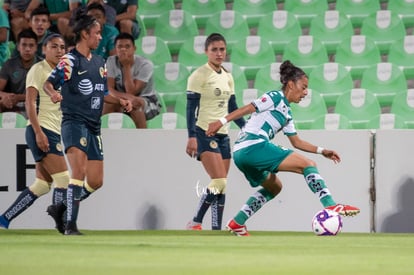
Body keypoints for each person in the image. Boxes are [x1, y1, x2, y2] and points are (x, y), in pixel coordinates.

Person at [206, 60, 361, 236]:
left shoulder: (287, 113)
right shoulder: (275, 97)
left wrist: (322, 150)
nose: (305, 92)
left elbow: (297, 142)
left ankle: (237, 223)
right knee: (308, 165)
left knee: (275, 187)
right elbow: (248, 108)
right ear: (290, 84)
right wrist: (220, 122)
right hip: (254, 145)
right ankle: (330, 205)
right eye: (303, 87)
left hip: (242, 155)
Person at [43, 9, 132, 235]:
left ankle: (61, 207)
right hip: (74, 122)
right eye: (97, 33)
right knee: (79, 172)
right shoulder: (69, 61)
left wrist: (120, 100)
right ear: (84, 34)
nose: (100, 37)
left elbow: (102, 93)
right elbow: (49, 83)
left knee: (96, 181)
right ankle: (70, 225)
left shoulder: (100, 62)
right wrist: (53, 93)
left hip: (94, 125)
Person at [0, 33, 69, 230]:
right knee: (63, 178)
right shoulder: (38, 70)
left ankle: (4, 219)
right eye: (54, 46)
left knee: (42, 185)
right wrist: (39, 132)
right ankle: (61, 223)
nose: (59, 50)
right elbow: (30, 102)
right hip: (42, 128)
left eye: (62, 47)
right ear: (44, 49)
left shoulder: (63, 73)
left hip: (53, 130)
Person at [185, 33, 246, 231]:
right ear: (206, 52)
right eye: (214, 50)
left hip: (223, 135)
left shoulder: (228, 76)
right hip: (204, 132)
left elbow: (233, 106)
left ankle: (216, 228)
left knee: (221, 183)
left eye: (222, 49)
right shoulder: (199, 75)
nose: (219, 53)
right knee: (219, 180)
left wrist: (246, 128)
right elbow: (190, 109)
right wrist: (192, 136)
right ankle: (195, 221)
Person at [104, 32, 161, 128]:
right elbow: (109, 89)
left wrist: (126, 66)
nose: (123, 50)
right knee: (108, 103)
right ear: (115, 49)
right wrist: (125, 98)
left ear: (134, 49)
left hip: (147, 100)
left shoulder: (145, 65)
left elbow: (132, 91)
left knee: (134, 104)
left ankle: (143, 139)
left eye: (127, 47)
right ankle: (99, 136)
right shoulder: (111, 61)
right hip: (122, 98)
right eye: (120, 47)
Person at [0, 29, 41, 118]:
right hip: (13, 104)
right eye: (24, 45)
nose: (27, 49)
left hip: (36, 106)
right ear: (18, 47)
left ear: (36, 47)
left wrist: (19, 97)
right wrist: (5, 96)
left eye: (31, 45)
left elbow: (44, 93)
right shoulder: (9, 64)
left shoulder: (43, 65)